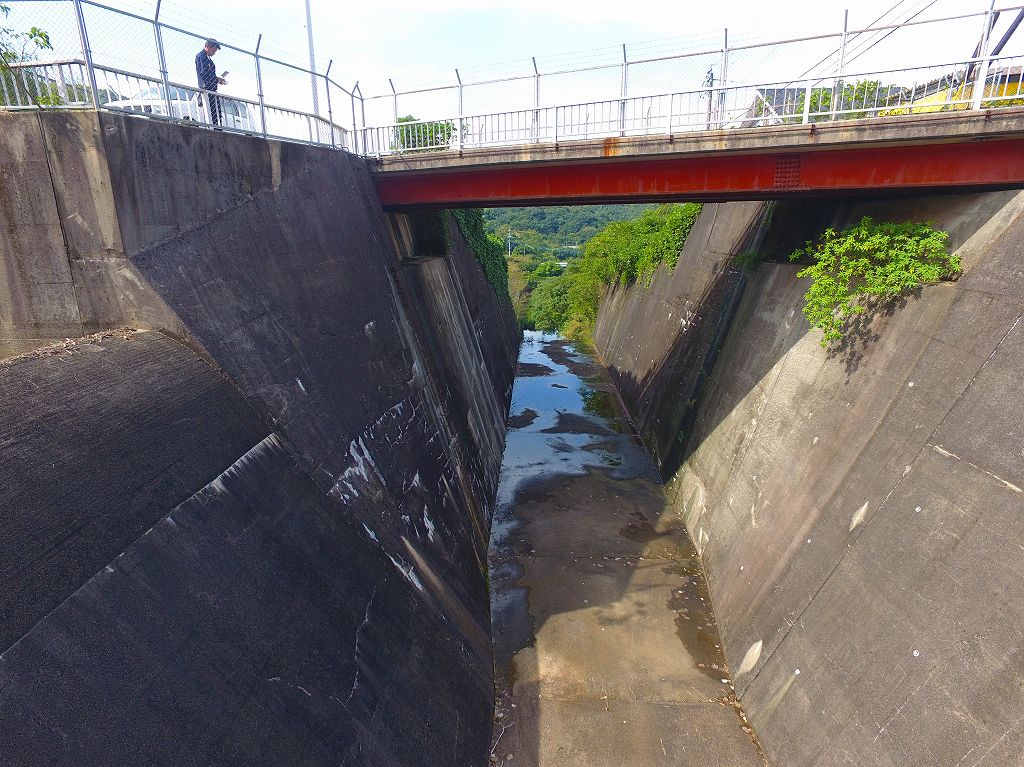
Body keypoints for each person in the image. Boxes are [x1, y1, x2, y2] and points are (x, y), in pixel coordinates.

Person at [195, 39, 226, 126]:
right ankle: (213, 128)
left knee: (216, 114)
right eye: (214, 50)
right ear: (208, 46)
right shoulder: (201, 57)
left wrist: (217, 79)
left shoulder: (209, 60)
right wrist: (216, 79)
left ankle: (217, 128)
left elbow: (209, 74)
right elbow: (203, 74)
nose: (214, 53)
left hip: (212, 89)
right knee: (211, 113)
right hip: (206, 88)